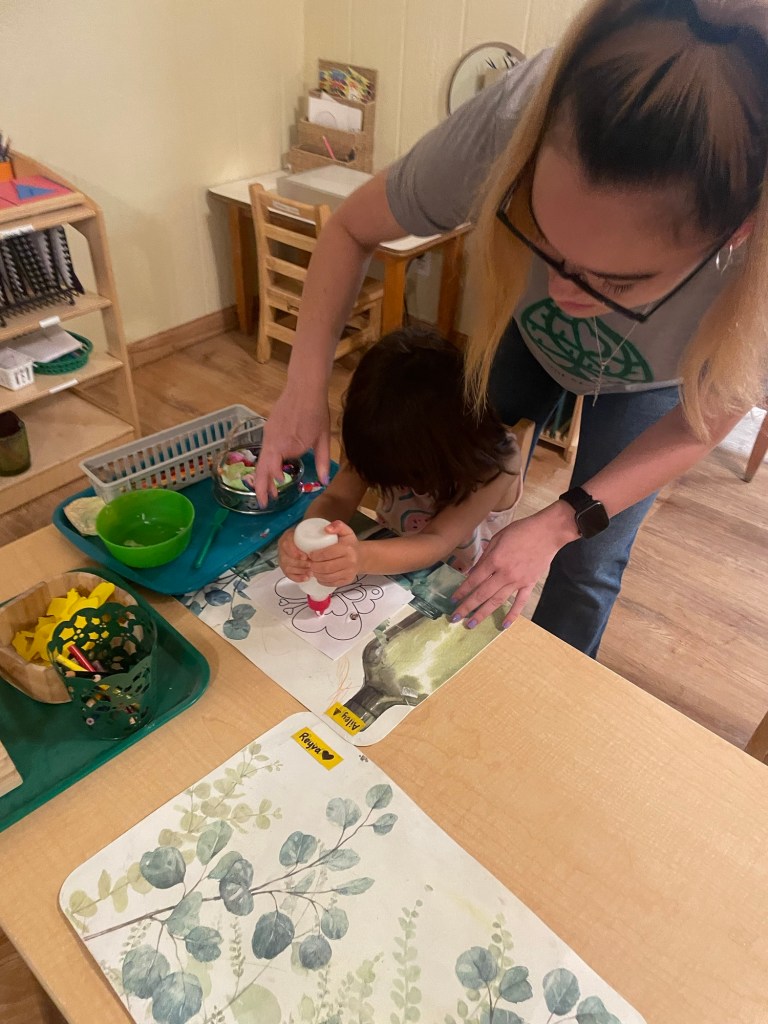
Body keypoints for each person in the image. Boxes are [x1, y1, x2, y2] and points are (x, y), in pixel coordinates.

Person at [256, 0, 768, 656]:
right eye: (540, 240)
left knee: (589, 562)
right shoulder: (512, 115)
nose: (560, 294)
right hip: (521, 346)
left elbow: (705, 421)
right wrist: (303, 388)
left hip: (656, 384)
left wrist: (559, 524)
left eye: (615, 283)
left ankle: (543, 683)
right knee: (430, 445)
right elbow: (352, 227)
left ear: (738, 235)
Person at [278, 327, 522, 586]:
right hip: (389, 564)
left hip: (461, 584)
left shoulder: (496, 465)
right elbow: (338, 498)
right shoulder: (376, 433)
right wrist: (311, 536)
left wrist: (360, 557)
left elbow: (436, 540)